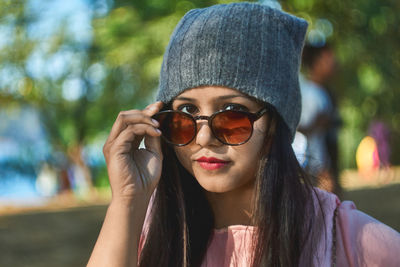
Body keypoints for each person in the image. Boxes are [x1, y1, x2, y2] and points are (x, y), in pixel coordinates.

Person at [88, 3, 400, 267]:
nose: (204, 136)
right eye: (185, 115)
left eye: (232, 116)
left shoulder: (346, 238)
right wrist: (127, 200)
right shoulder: (147, 232)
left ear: (274, 123)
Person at [295, 43, 342, 196]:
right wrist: (317, 123)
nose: (334, 63)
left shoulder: (322, 92)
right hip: (308, 159)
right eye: (328, 59)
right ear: (317, 62)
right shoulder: (306, 91)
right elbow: (297, 126)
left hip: (320, 157)